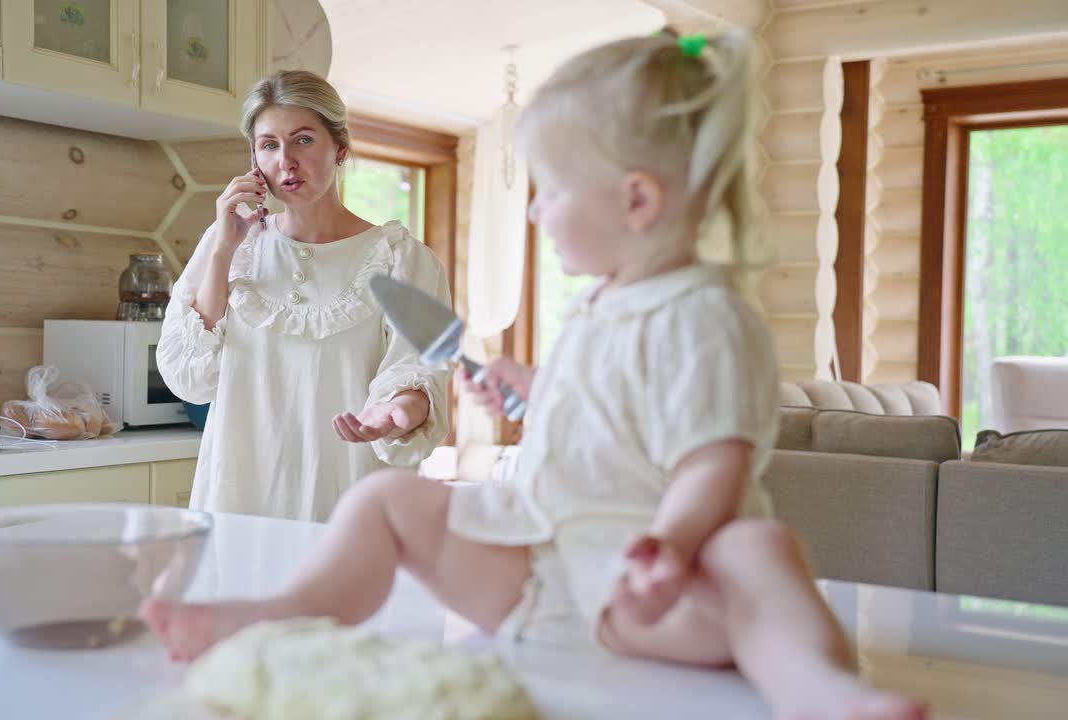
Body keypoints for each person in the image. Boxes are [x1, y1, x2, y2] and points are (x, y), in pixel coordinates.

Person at [142, 33, 927, 720]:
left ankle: (817, 691)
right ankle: (276, 614)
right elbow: (600, 410)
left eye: (548, 191)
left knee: (759, 551)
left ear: (636, 200)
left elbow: (712, 460)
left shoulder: (706, 316)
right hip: (545, 570)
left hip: (645, 587)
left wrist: (670, 546)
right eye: (268, 145)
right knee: (383, 501)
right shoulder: (597, 308)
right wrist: (531, 386)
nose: (532, 213)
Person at [156, 70, 451, 522]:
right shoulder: (229, 246)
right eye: (269, 145)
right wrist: (222, 250)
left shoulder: (402, 261)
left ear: (341, 149)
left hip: (352, 496)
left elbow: (419, 372)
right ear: (253, 157)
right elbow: (187, 377)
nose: (286, 162)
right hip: (240, 494)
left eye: (304, 141)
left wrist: (395, 413)